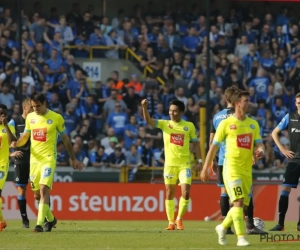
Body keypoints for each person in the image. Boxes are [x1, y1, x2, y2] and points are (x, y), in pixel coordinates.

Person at [10, 92, 85, 233]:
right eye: (33, 106)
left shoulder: (56, 118)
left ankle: (39, 224)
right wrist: (16, 143)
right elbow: (26, 136)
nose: (35, 109)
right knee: (37, 195)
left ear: (45, 103)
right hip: (34, 160)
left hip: (48, 158)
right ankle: (51, 219)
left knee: (44, 188)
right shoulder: (31, 118)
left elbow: (66, 139)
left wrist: (73, 158)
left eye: (38, 106)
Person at [201, 90, 265, 246]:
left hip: (247, 170)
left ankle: (222, 227)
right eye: (246, 101)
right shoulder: (225, 123)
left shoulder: (253, 124)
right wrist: (205, 168)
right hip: (231, 168)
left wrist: (260, 151)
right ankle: (241, 237)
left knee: (243, 205)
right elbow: (213, 148)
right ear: (238, 104)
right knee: (237, 201)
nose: (249, 103)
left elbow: (259, 144)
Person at [141, 98, 202, 230]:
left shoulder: (189, 126)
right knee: (169, 193)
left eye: (174, 111)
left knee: (186, 193)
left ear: (181, 112)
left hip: (184, 165)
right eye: (170, 111)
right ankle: (171, 222)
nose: (171, 113)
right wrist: (144, 108)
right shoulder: (165, 124)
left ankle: (179, 219)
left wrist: (200, 160)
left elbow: (196, 144)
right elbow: (149, 121)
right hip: (169, 165)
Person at [269, 92, 300, 231]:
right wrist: (283, 150)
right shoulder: (290, 117)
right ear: (295, 103)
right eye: (298, 102)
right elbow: (274, 133)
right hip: (293, 160)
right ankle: (281, 224)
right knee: (285, 189)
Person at [5, 98, 33, 228]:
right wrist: (11, 153)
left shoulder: (36, 121)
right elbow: (5, 139)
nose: (34, 110)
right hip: (21, 159)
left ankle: (45, 219)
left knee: (40, 189)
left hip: (35, 159)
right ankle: (25, 221)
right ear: (25, 108)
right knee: (22, 188)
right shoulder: (14, 122)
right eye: (31, 108)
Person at [0, 104, 22, 231]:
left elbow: (13, 142)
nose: (1, 116)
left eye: (3, 114)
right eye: (0, 113)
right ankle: (2, 221)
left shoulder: (9, 127)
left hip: (2, 165)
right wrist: (10, 153)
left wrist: (6, 125)